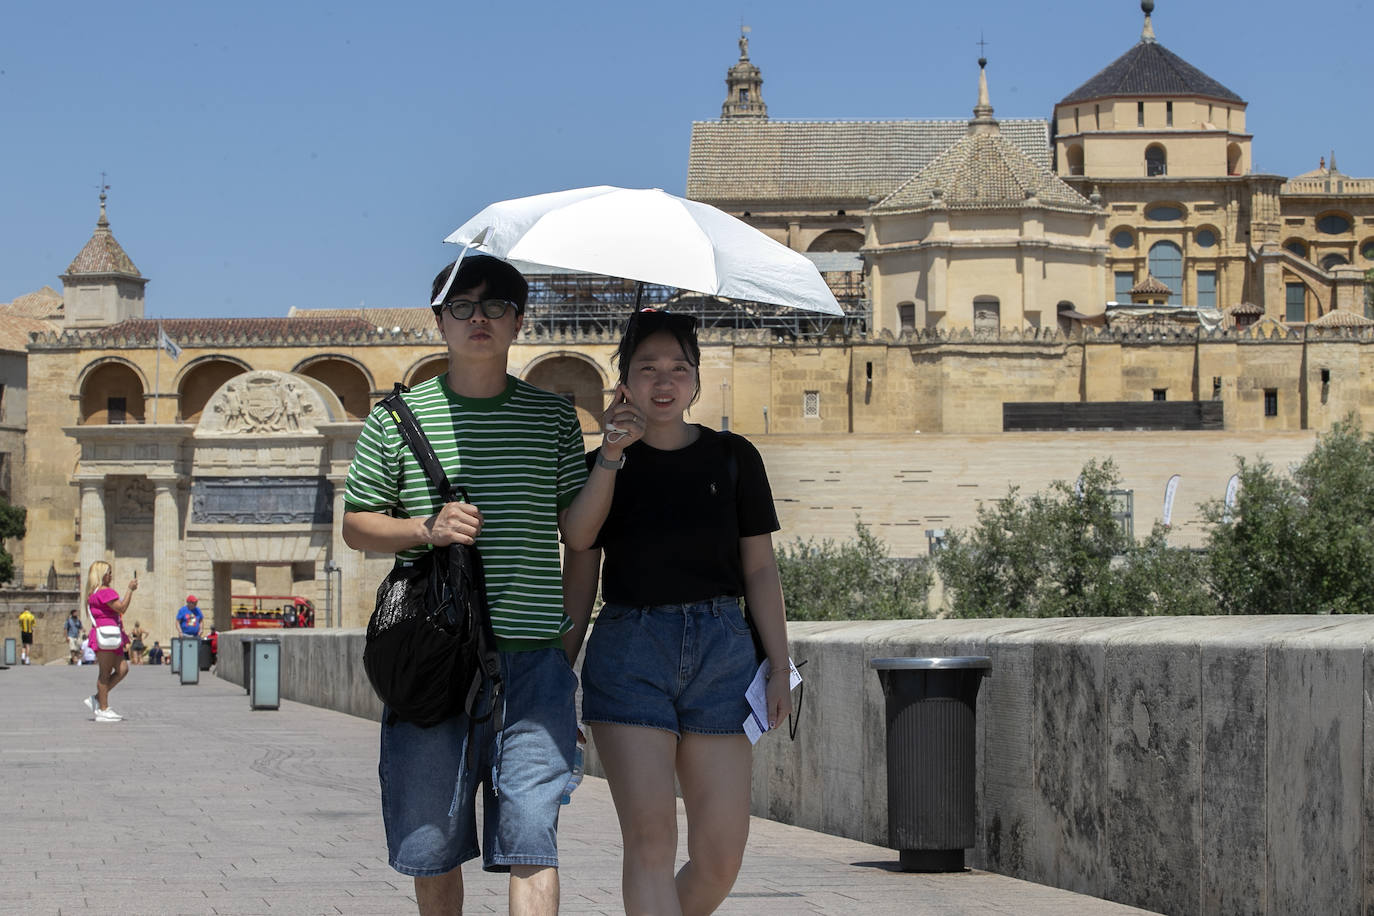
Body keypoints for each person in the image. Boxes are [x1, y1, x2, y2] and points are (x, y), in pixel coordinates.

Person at [343, 254, 606, 916]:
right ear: (439, 321)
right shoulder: (397, 419)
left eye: (495, 307)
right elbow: (356, 526)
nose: (478, 319)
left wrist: (564, 649)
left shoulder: (552, 419)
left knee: (533, 843)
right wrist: (425, 527)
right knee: (431, 848)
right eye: (461, 306)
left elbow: (580, 540)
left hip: (534, 665)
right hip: (436, 662)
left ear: (519, 322)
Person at [562, 308, 794, 915]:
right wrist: (611, 455)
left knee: (721, 856)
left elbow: (761, 569)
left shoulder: (734, 457)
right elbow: (579, 552)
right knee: (650, 840)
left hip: (723, 651)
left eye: (678, 369)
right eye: (647, 369)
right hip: (630, 652)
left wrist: (779, 664)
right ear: (624, 381)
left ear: (695, 381)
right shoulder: (600, 469)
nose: (663, 383)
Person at [83, 560, 137, 722]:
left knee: (122, 669)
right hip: (107, 634)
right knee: (105, 673)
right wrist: (130, 589)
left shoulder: (93, 593)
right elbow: (121, 608)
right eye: (109, 572)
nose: (111, 575)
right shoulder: (105, 592)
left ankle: (99, 698)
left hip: (111, 634)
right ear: (102, 574)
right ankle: (103, 709)